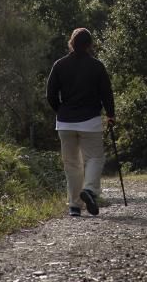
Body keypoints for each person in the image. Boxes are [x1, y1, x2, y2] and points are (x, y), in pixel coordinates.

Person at [46, 27, 115, 217]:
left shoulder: (59, 65)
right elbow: (106, 93)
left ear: (71, 43)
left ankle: (74, 206)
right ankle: (90, 190)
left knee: (72, 165)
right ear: (89, 45)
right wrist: (110, 114)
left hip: (65, 122)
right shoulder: (96, 66)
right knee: (94, 158)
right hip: (90, 121)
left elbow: (50, 94)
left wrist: (60, 110)